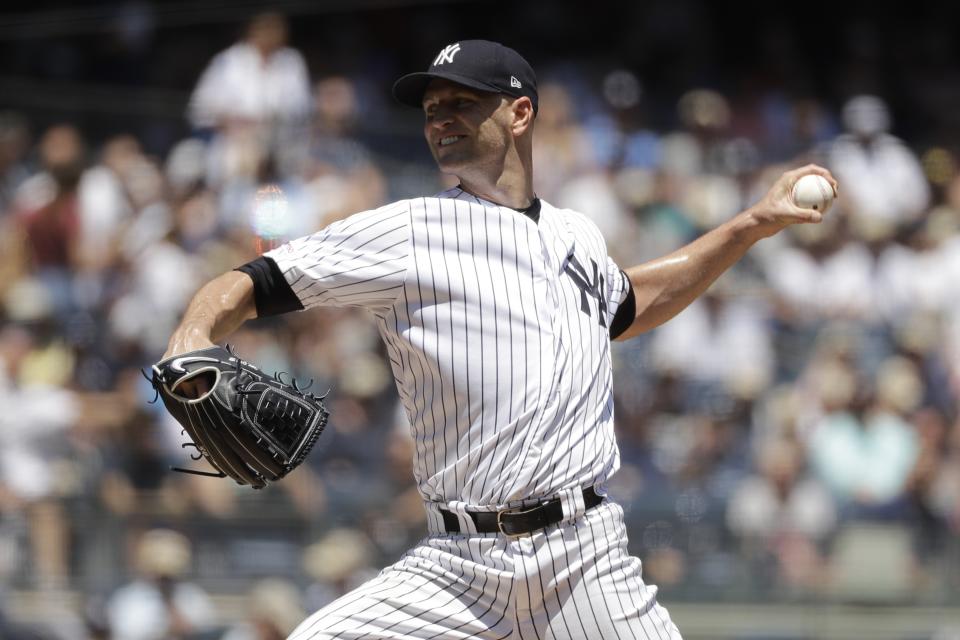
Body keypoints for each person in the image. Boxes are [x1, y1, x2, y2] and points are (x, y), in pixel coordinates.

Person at [162, 40, 837, 639]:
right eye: (431, 107)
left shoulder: (576, 233)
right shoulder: (409, 230)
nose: (440, 117)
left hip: (583, 560)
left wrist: (750, 223)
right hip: (455, 569)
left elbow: (632, 302)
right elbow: (250, 281)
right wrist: (191, 335)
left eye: (462, 101)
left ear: (519, 114)